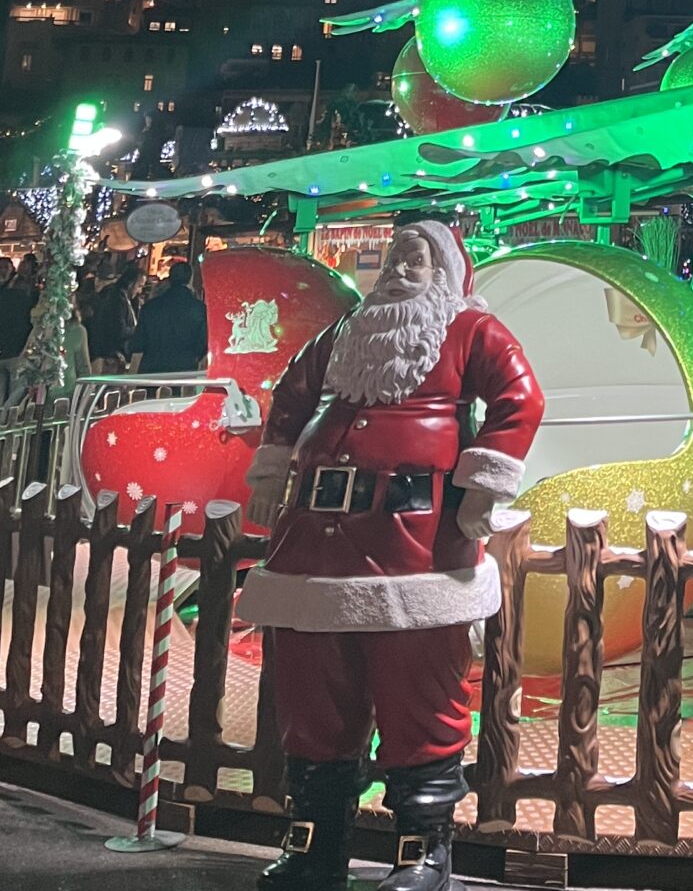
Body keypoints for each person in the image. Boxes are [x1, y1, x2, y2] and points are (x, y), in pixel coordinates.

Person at [239, 219, 543, 891]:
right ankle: (315, 845)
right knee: (313, 695)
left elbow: (520, 400)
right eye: (399, 256)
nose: (405, 266)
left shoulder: (469, 330)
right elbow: (292, 393)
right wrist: (271, 470)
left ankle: (422, 848)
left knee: (420, 694)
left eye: (420, 257)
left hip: (417, 546)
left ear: (449, 273)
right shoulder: (347, 330)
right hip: (313, 545)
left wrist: (480, 485)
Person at [133, 260, 209, 375]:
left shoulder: (150, 307)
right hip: (184, 370)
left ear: (170, 278)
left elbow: (138, 343)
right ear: (190, 279)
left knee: (150, 393)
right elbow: (203, 343)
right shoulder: (200, 309)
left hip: (151, 369)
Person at [86, 261, 141, 370]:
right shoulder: (116, 299)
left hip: (110, 355)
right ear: (131, 284)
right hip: (111, 356)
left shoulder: (125, 299)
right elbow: (118, 329)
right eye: (139, 286)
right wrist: (137, 329)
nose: (140, 291)